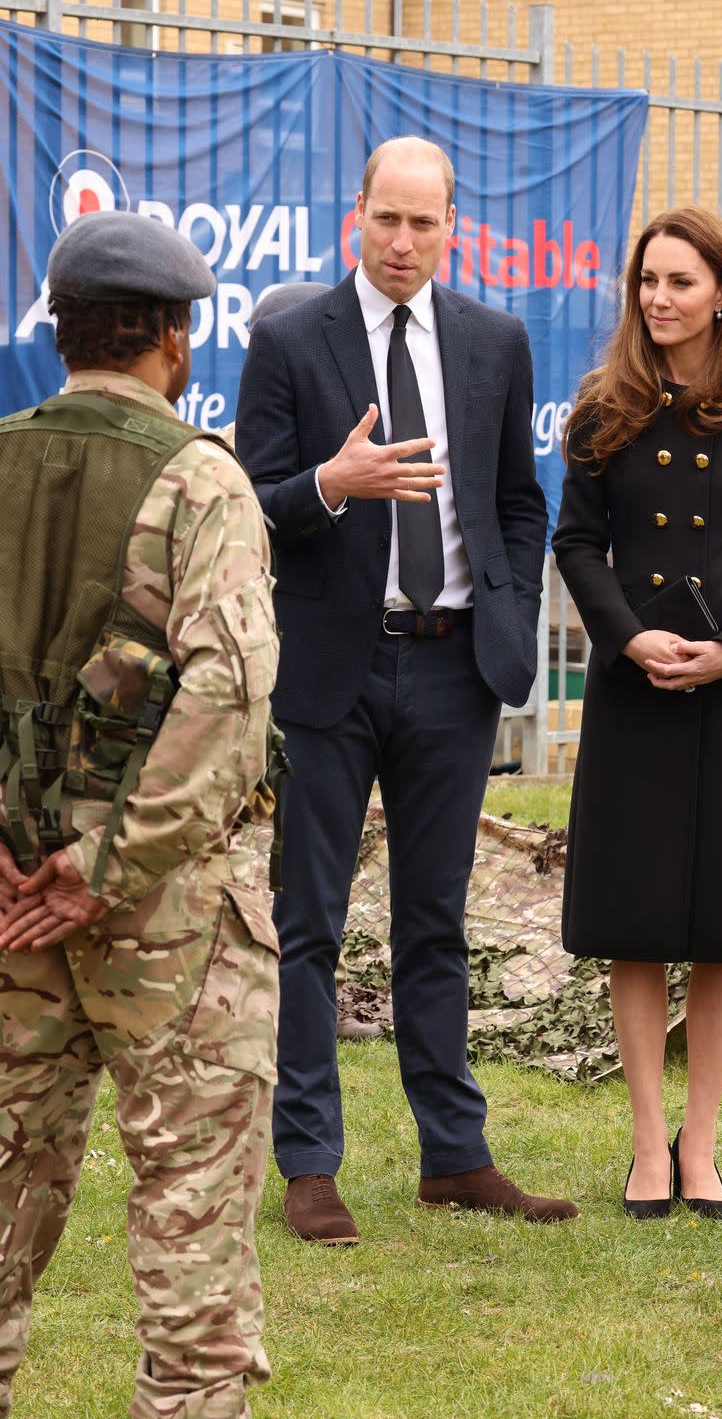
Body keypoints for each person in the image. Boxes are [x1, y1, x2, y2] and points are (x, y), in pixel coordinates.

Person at [235, 135, 576, 1244]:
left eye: (425, 223)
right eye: (387, 219)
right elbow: (248, 499)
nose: (403, 241)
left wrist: (510, 608)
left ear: (451, 226)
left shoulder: (495, 341)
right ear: (358, 215)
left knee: (435, 920)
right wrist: (332, 483)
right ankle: (309, 1163)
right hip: (331, 662)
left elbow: (519, 501)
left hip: (453, 663)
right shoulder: (291, 340)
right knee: (309, 925)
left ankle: (455, 1157)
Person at [0, 210, 280, 1419]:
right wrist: (107, 859)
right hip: (165, 920)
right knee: (191, 1225)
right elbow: (231, 690)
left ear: (60, 336)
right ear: (176, 335)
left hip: (8, 901)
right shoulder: (199, 477)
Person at [552, 206, 722, 1221]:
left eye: (679, 283)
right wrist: (626, 637)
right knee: (638, 920)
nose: (658, 301)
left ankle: (699, 1146)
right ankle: (645, 1149)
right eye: (647, 283)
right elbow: (578, 544)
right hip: (635, 687)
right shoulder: (600, 407)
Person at [223, 279, 384, 1043]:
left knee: (309, 862)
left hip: (319, 679)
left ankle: (307, 995)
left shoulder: (361, 452)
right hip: (243, 680)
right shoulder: (226, 460)